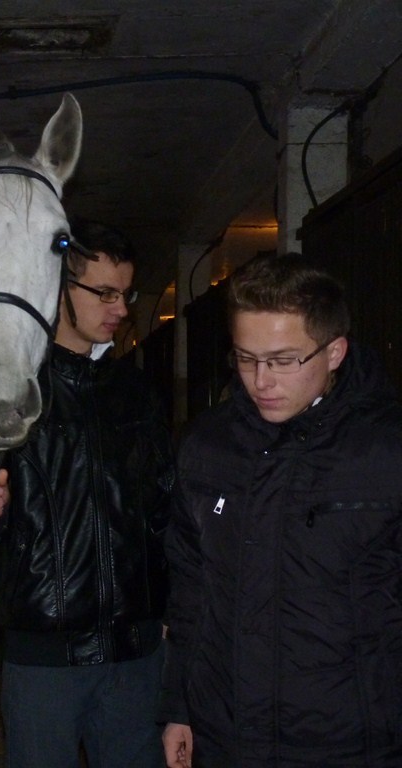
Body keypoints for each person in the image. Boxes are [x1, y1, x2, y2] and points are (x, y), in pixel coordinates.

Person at [0, 220, 175, 768]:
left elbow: (166, 511)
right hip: (44, 665)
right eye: (104, 293)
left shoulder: (137, 393)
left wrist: (171, 617)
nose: (119, 307)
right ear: (59, 288)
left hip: (135, 659)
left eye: (126, 293)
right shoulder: (6, 395)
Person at [159, 252, 402, 767]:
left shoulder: (386, 451)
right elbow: (190, 589)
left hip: (350, 740)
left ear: (334, 352)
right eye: (245, 358)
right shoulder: (207, 445)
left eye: (283, 360)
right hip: (225, 736)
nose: (260, 381)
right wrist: (179, 706)